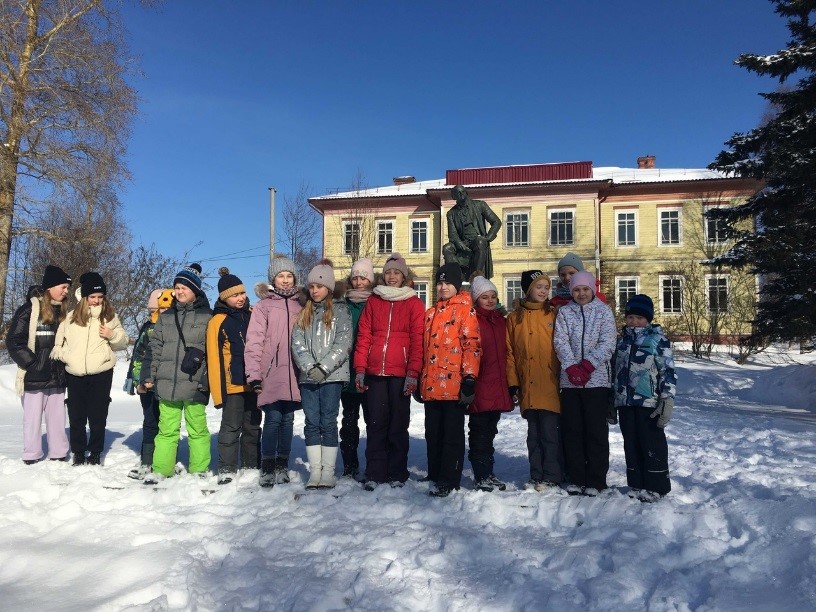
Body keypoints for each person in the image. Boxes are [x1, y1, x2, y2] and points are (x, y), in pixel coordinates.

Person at [353, 253, 425, 490]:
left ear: (404, 276)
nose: (392, 276)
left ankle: (397, 472)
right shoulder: (374, 301)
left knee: (398, 426)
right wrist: (360, 368)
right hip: (375, 373)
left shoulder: (413, 303)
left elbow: (417, 340)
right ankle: (375, 472)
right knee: (376, 424)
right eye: (388, 272)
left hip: (401, 374)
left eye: (396, 272)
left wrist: (413, 373)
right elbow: (364, 336)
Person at [141, 263, 212, 483]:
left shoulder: (208, 316)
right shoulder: (166, 317)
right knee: (166, 430)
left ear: (195, 290)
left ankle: (199, 469)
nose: (179, 292)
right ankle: (162, 470)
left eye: (184, 288)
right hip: (167, 385)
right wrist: (148, 375)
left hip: (194, 384)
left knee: (197, 429)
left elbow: (213, 353)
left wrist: (206, 380)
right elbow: (154, 349)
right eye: (177, 287)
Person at [52, 271, 129, 466]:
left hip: (101, 373)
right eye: (92, 296)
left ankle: (95, 452)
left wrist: (112, 335)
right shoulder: (71, 317)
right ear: (85, 296)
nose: (96, 301)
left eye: (100, 296)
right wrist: (65, 355)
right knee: (76, 416)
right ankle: (78, 452)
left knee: (97, 416)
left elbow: (123, 342)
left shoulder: (110, 317)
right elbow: (60, 339)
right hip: (75, 373)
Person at [420, 263, 481, 497]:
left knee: (451, 435)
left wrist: (469, 377)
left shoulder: (465, 311)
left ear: (457, 286)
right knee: (433, 433)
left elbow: (472, 345)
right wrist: (421, 378)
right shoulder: (430, 313)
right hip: (432, 385)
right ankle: (435, 472)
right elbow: (424, 349)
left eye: (448, 283)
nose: (443, 287)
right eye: (440, 283)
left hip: (454, 385)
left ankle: (449, 477)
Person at [554, 270, 617, 496]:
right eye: (577, 290)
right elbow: (560, 341)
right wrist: (571, 367)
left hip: (596, 382)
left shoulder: (603, 311)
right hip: (570, 382)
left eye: (585, 289)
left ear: (593, 290)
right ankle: (577, 477)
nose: (581, 294)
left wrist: (588, 365)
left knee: (595, 432)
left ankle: (596, 479)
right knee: (573, 431)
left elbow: (608, 343)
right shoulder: (565, 312)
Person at [609, 294, 677, 503]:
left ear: (647, 319)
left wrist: (667, 398)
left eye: (639, 317)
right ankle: (636, 483)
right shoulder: (621, 342)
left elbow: (667, 371)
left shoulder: (657, 340)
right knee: (631, 443)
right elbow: (614, 371)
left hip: (649, 402)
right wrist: (611, 399)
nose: (634, 322)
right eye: (630, 317)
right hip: (625, 402)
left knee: (652, 443)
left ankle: (656, 486)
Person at [291, 259, 352, 490]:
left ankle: (328, 472)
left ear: (329, 287)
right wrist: (309, 367)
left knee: (328, 421)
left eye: (319, 286)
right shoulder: (303, 313)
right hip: (308, 377)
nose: (315, 290)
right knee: (311, 422)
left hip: (332, 377)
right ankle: (315, 472)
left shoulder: (341, 311)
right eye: (312, 287)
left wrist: (323, 368)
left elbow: (343, 343)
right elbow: (297, 343)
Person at [245, 254, 304, 487]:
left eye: (289, 275)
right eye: (281, 276)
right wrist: (254, 374)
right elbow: (254, 341)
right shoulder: (263, 307)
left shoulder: (302, 305)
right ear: (273, 279)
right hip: (270, 372)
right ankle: (268, 465)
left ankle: (282, 464)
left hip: (295, 372)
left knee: (288, 420)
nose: (286, 280)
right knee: (272, 419)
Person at [6, 265, 72, 464]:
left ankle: (59, 452)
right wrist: (33, 364)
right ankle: (32, 454)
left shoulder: (65, 313)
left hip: (58, 376)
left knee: (57, 419)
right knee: (32, 420)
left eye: (67, 288)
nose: (66, 291)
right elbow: (14, 341)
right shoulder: (29, 310)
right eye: (63, 287)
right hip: (34, 377)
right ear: (50, 287)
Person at [506, 270, 563, 491]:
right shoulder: (514, 318)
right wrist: (513, 383)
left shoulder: (554, 314)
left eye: (546, 287)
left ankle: (551, 476)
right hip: (527, 384)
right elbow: (510, 353)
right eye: (538, 287)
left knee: (549, 433)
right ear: (528, 289)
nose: (543, 291)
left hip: (550, 382)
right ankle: (536, 475)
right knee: (533, 435)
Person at [207, 268, 261, 485]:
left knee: (252, 427)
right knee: (231, 428)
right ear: (224, 298)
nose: (240, 298)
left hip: (253, 384)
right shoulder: (217, 321)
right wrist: (218, 393)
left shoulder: (253, 315)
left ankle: (251, 465)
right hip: (232, 385)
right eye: (234, 295)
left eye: (242, 293)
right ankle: (227, 468)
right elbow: (213, 358)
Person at [467, 275, 513, 492]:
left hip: (497, 384)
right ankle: (481, 474)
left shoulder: (501, 321)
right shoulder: (472, 320)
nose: (490, 300)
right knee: (479, 432)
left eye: (493, 296)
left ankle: (488, 472)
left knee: (490, 431)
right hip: (480, 383)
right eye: (485, 297)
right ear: (477, 299)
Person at [124, 287, 173, 479]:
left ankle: (165, 460)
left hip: (168, 384)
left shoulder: (176, 329)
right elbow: (138, 356)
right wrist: (138, 380)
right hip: (148, 384)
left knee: (167, 424)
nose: (164, 312)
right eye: (161, 309)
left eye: (168, 309)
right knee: (151, 421)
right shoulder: (148, 329)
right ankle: (147, 460)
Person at [340, 257, 375, 480]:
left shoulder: (377, 302)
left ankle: (374, 465)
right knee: (349, 421)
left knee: (373, 422)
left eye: (363, 278)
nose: (359, 282)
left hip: (370, 373)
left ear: (370, 280)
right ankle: (350, 465)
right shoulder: (343, 304)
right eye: (355, 278)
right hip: (347, 372)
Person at [442, 185, 502, 279]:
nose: (461, 194)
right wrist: (459, 244)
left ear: (466, 192)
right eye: (458, 193)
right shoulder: (451, 213)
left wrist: (488, 238)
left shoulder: (480, 205)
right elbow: (452, 234)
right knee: (447, 248)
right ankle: (457, 276)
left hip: (476, 240)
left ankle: (476, 277)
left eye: (462, 191)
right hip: (462, 242)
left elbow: (496, 221)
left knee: (480, 242)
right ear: (453, 197)